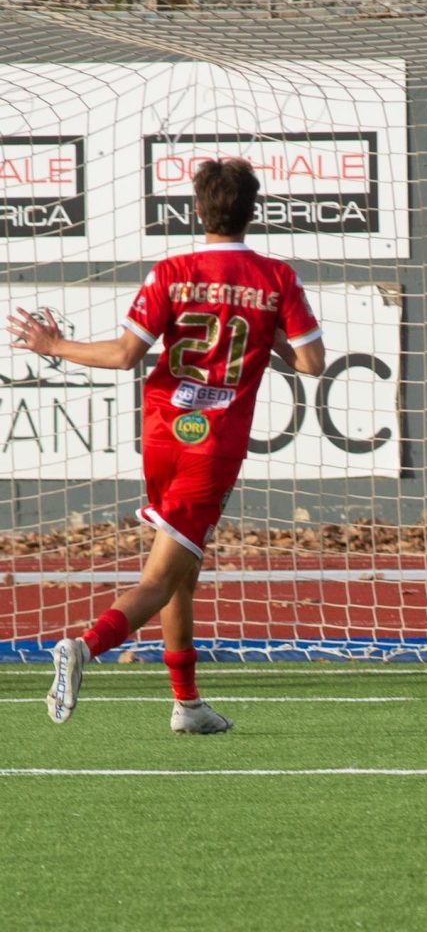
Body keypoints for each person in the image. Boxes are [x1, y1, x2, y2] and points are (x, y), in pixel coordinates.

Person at [6, 158, 325, 733]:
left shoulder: (171, 270)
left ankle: (187, 704)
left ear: (198, 210)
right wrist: (264, 328)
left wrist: (54, 345)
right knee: (158, 577)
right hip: (215, 445)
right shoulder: (276, 279)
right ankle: (83, 647)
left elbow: (126, 355)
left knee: (183, 568)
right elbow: (312, 363)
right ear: (253, 212)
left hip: (160, 433)